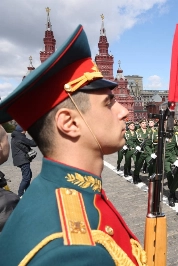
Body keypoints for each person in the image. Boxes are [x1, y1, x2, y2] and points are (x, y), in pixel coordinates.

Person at [0, 25, 146, 265]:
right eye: (108, 103)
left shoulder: (60, 193)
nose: (124, 113)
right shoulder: (73, 251)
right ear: (69, 123)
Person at [11, 124, 37, 197]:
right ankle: (20, 194)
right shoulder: (20, 137)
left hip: (19, 160)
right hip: (23, 160)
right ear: (23, 130)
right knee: (26, 177)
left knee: (28, 175)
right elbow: (33, 143)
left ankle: (27, 192)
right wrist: (36, 135)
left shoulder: (15, 136)